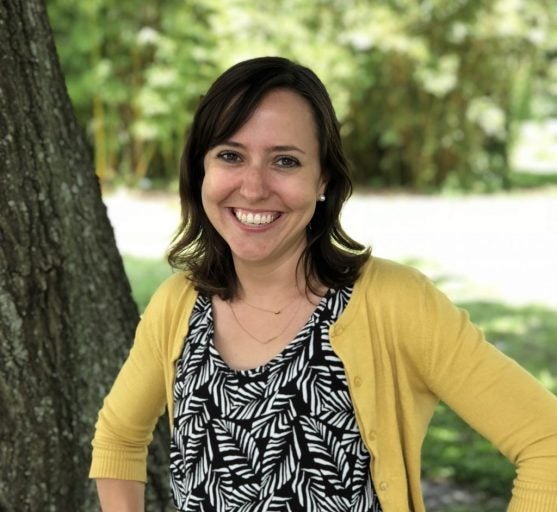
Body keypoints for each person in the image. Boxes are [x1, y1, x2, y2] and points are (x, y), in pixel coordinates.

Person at [90, 56, 557, 511]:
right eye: (231, 155)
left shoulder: (396, 304)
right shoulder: (179, 305)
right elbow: (118, 437)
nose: (253, 187)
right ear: (201, 171)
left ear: (323, 180)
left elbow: (547, 445)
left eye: (286, 161)